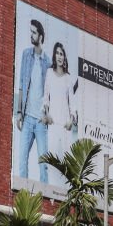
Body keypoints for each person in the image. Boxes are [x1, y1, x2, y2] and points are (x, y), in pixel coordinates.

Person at [14, 19, 51, 183]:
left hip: (41, 120)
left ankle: (45, 196)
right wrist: (19, 112)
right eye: (30, 32)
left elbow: (51, 94)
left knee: (44, 163)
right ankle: (23, 195)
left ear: (41, 36)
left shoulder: (48, 62)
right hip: (27, 118)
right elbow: (21, 85)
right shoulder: (26, 55)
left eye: (34, 32)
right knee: (22, 160)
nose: (31, 35)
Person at [41, 41, 78, 177]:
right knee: (52, 160)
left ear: (64, 57)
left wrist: (71, 120)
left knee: (67, 161)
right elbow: (45, 97)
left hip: (65, 125)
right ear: (54, 55)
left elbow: (73, 104)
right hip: (53, 124)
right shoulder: (49, 73)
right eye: (57, 53)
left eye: (61, 54)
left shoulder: (68, 78)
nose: (59, 56)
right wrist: (47, 114)